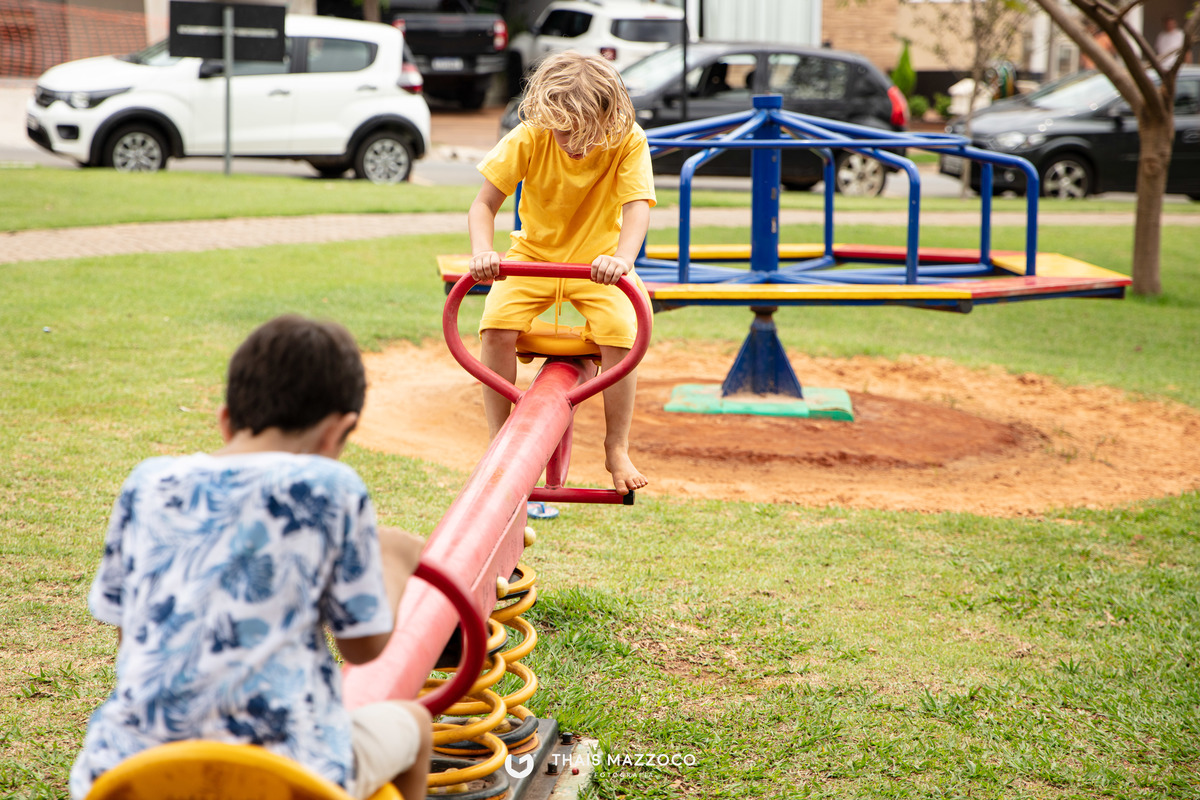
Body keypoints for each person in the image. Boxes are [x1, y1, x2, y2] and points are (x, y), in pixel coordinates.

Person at [69, 315, 432, 800]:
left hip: (128, 772)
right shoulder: (330, 487)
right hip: (287, 773)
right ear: (336, 433)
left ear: (224, 420)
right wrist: (393, 558)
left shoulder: (147, 482)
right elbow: (363, 646)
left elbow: (127, 631)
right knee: (415, 723)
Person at [467, 51, 655, 496]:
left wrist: (622, 260)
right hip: (533, 257)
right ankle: (499, 441)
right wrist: (482, 252)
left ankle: (616, 446)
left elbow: (636, 209)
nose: (571, 143)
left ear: (609, 117)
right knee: (494, 327)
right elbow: (483, 205)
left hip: (598, 263)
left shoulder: (627, 138)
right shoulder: (532, 136)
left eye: (583, 134)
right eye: (563, 131)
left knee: (621, 332)